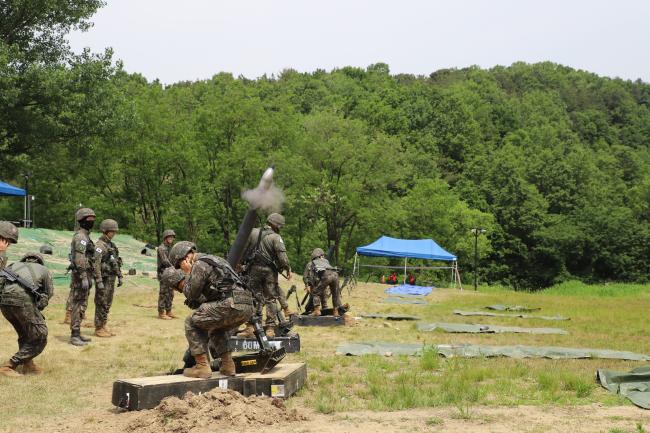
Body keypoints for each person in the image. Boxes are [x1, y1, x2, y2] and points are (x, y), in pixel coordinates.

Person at [163, 241, 254, 378]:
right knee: (216, 328)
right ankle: (228, 366)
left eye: (179, 265)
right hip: (246, 304)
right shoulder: (215, 259)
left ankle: (202, 367)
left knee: (191, 322)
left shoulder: (199, 264)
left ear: (184, 258)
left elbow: (191, 293)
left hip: (230, 303)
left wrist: (188, 273)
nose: (180, 268)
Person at [237, 213, 292, 339]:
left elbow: (242, 249)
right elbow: (282, 257)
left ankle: (250, 327)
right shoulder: (276, 237)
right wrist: (287, 268)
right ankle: (270, 329)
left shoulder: (252, 233)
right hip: (269, 272)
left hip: (253, 270)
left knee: (253, 298)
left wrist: (239, 264)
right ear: (276, 225)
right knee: (270, 299)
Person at [0, 252, 54, 377]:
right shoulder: (44, 270)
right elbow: (48, 293)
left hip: (4, 304)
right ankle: (10, 365)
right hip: (23, 301)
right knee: (40, 335)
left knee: (25, 333)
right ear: (39, 261)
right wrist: (39, 307)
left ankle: (28, 364)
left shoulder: (12, 266)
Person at [68, 207, 101, 346]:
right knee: (77, 304)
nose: (92, 222)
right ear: (81, 221)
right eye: (89, 220)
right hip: (81, 276)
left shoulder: (86, 236)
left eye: (93, 219)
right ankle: (74, 334)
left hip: (86, 275)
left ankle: (78, 332)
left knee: (82, 304)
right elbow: (79, 258)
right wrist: (82, 276)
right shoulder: (81, 237)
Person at [93, 219, 123, 337]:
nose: (114, 233)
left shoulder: (111, 245)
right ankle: (98, 327)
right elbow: (96, 264)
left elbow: (115, 261)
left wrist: (119, 275)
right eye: (112, 231)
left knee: (107, 302)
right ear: (106, 231)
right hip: (104, 279)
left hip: (111, 278)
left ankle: (104, 324)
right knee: (101, 302)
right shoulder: (100, 246)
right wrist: (99, 280)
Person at [305, 248, 342, 316]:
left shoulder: (312, 263)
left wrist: (309, 285)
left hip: (327, 276)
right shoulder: (326, 261)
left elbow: (310, 276)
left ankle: (317, 310)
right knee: (335, 294)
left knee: (315, 292)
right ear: (320, 255)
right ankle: (336, 311)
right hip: (336, 275)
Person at [157, 229, 176, 320]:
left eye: (172, 237)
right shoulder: (161, 248)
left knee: (170, 293)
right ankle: (161, 312)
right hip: (163, 273)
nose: (171, 238)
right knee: (163, 293)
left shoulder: (170, 248)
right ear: (165, 238)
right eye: (170, 237)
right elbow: (165, 261)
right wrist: (174, 267)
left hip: (170, 273)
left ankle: (169, 311)